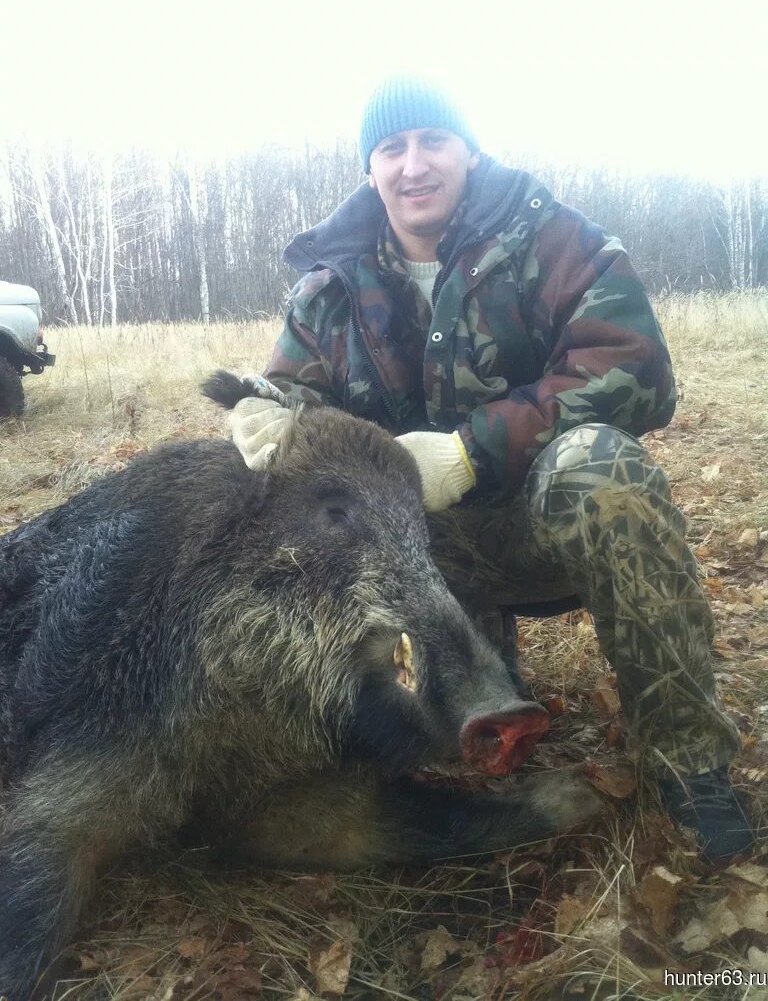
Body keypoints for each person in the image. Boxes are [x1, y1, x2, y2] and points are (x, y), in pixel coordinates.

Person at [230, 75, 754, 862]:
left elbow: (638, 370)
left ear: (469, 151)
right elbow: (295, 388)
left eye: (432, 142)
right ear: (370, 170)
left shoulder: (551, 238)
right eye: (391, 148)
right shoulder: (330, 282)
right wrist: (262, 410)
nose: (414, 166)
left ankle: (687, 763)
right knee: (292, 520)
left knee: (603, 466)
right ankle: (387, 725)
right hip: (416, 559)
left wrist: (475, 452)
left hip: (537, 524)